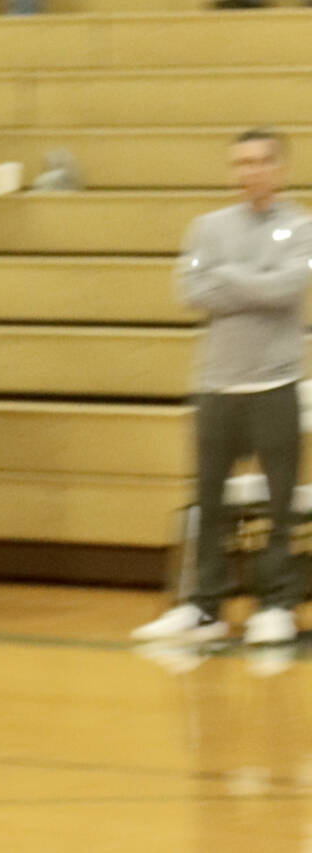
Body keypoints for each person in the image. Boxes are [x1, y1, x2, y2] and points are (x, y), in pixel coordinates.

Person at [133, 129, 312, 647]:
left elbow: (289, 288)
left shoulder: (301, 228)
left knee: (280, 505)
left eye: (260, 162)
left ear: (279, 169)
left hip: (276, 384)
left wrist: (228, 279)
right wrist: (252, 278)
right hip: (215, 387)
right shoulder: (206, 227)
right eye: (241, 162)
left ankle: (275, 604)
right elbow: (190, 289)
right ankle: (201, 607)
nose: (249, 171)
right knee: (206, 501)